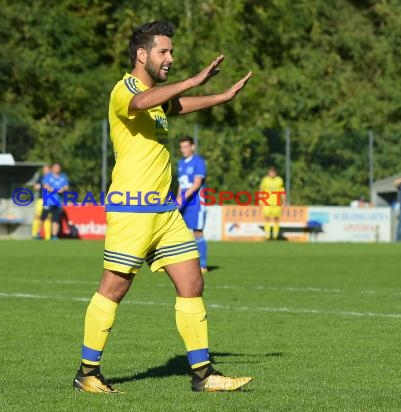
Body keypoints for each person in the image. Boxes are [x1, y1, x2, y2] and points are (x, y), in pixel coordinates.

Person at [73, 21, 253, 394]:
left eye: (171, 52)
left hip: (165, 212)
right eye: (163, 52)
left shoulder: (156, 100)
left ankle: (204, 375)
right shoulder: (125, 90)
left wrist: (220, 97)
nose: (170, 58)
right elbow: (142, 102)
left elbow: (175, 105)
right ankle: (87, 373)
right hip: (132, 210)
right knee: (113, 288)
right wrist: (194, 79)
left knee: (192, 283)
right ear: (142, 55)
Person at [176, 136, 208, 273]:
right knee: (179, 232)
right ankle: (181, 263)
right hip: (184, 201)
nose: (183, 149)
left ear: (193, 147)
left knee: (198, 232)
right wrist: (178, 198)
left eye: (186, 146)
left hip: (196, 203)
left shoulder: (198, 162)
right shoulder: (181, 163)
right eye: (181, 147)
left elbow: (196, 184)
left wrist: (181, 199)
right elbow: (181, 184)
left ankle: (203, 265)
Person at [42, 163, 69, 240]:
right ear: (52, 168)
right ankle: (41, 234)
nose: (57, 169)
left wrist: (61, 189)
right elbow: (46, 187)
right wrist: (57, 190)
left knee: (56, 219)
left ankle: (54, 235)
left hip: (58, 202)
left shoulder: (63, 177)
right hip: (48, 201)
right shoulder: (48, 176)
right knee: (44, 218)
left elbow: (66, 187)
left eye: (58, 167)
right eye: (55, 167)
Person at [259, 166, 286, 240]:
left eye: (273, 172)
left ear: (276, 173)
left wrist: (284, 201)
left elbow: (282, 191)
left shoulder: (279, 180)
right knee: (267, 218)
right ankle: (267, 236)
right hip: (267, 202)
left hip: (276, 202)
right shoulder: (265, 180)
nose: (272, 173)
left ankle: (275, 236)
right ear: (268, 172)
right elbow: (261, 190)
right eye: (271, 172)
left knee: (276, 218)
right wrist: (260, 201)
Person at [29, 165, 52, 239]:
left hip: (49, 199)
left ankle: (47, 236)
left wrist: (43, 186)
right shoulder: (41, 177)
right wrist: (38, 186)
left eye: (46, 169)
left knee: (47, 218)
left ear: (49, 170)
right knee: (37, 216)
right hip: (40, 199)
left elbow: (51, 188)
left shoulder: (52, 178)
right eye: (44, 169)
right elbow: (35, 187)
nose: (45, 171)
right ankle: (35, 234)